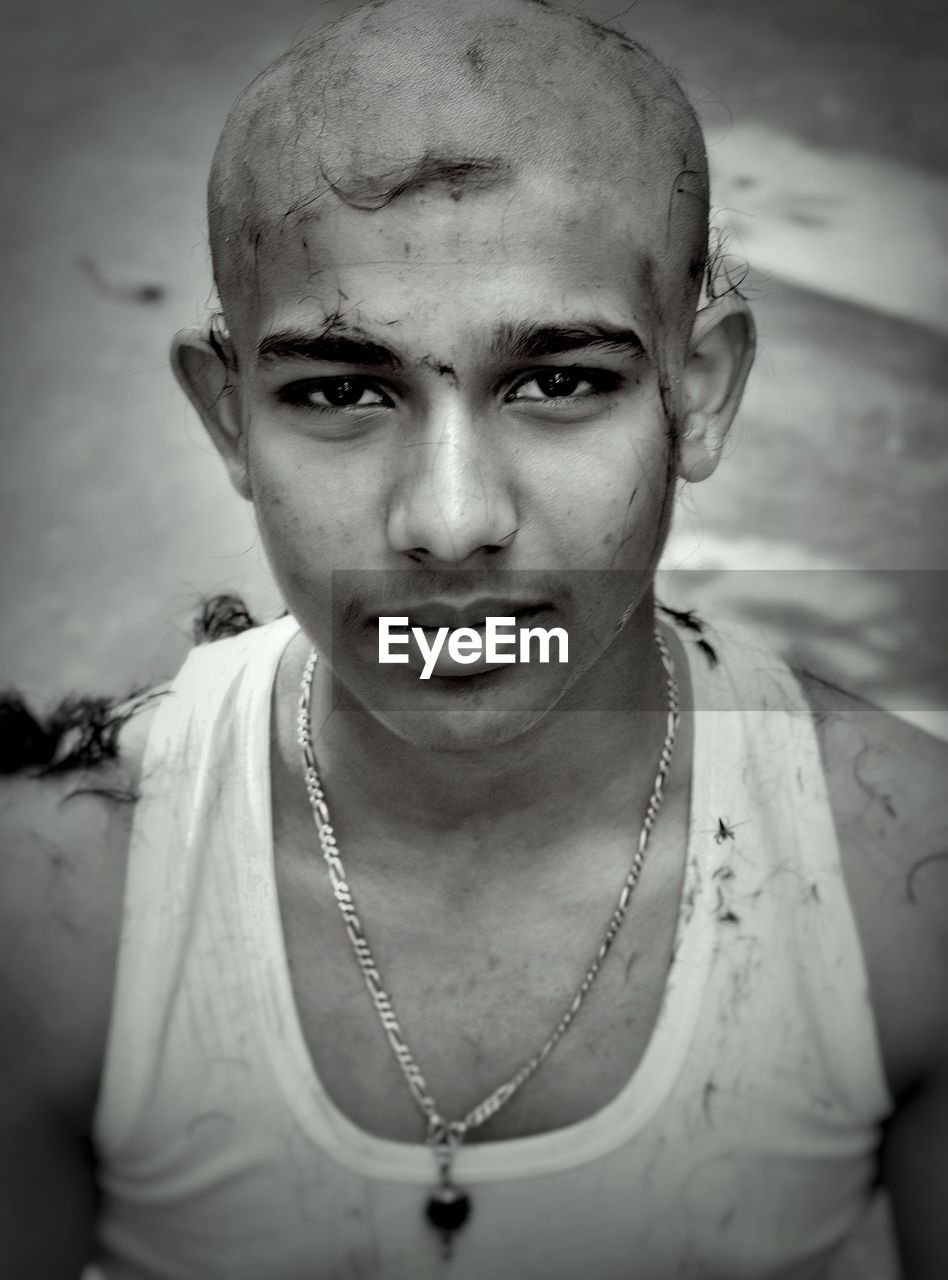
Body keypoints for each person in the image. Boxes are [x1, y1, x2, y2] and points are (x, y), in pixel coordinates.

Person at [2, 0, 946, 1276]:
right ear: (231, 419)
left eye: (559, 381)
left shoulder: (902, 879)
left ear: (701, 392)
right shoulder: (58, 915)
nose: (450, 522)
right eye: (341, 390)